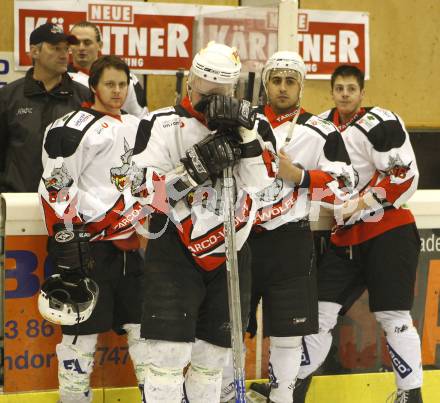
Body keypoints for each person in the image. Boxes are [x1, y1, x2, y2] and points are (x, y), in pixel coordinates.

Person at [130, 41, 278, 403]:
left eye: (222, 95)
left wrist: (245, 137)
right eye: (206, 94)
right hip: (175, 248)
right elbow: (139, 189)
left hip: (232, 247)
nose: (213, 104)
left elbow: (264, 182)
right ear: (189, 85)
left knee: (213, 359)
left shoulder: (255, 124)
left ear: (235, 90)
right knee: (166, 358)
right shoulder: (160, 123)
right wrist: (189, 173)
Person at [220, 52, 354, 403]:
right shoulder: (239, 124)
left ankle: (281, 398)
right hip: (240, 239)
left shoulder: (320, 131)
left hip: (290, 242)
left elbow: (345, 185)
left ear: (301, 86)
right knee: (225, 328)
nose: (282, 87)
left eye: (290, 81)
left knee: (288, 335)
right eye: (276, 80)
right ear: (265, 84)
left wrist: (302, 176)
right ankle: (221, 396)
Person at [294, 65, 423, 403]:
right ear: (332, 92)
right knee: (317, 315)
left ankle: (411, 395)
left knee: (393, 317)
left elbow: (403, 174)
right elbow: (304, 175)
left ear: (362, 93)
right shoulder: (318, 127)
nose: (346, 94)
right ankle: (291, 388)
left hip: (388, 233)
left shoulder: (380, 122)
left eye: (352, 88)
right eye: (340, 88)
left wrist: (364, 201)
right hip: (344, 239)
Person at [38, 55, 148, 403]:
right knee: (79, 341)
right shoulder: (71, 127)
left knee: (146, 338)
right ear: (94, 86)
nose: (117, 91)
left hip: (133, 251)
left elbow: (153, 179)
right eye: (109, 84)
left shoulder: (138, 125)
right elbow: (56, 185)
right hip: (90, 251)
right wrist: (66, 241)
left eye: (122, 84)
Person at [0, 22, 90, 192]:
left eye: (66, 49)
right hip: (17, 202)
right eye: (56, 48)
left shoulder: (83, 98)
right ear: (34, 51)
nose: (64, 55)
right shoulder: (8, 97)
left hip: (68, 204)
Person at [68, 20, 148, 118]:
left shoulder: (124, 77)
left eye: (87, 42)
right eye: (76, 42)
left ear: (100, 45)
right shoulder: (60, 78)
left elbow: (140, 118)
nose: (81, 47)